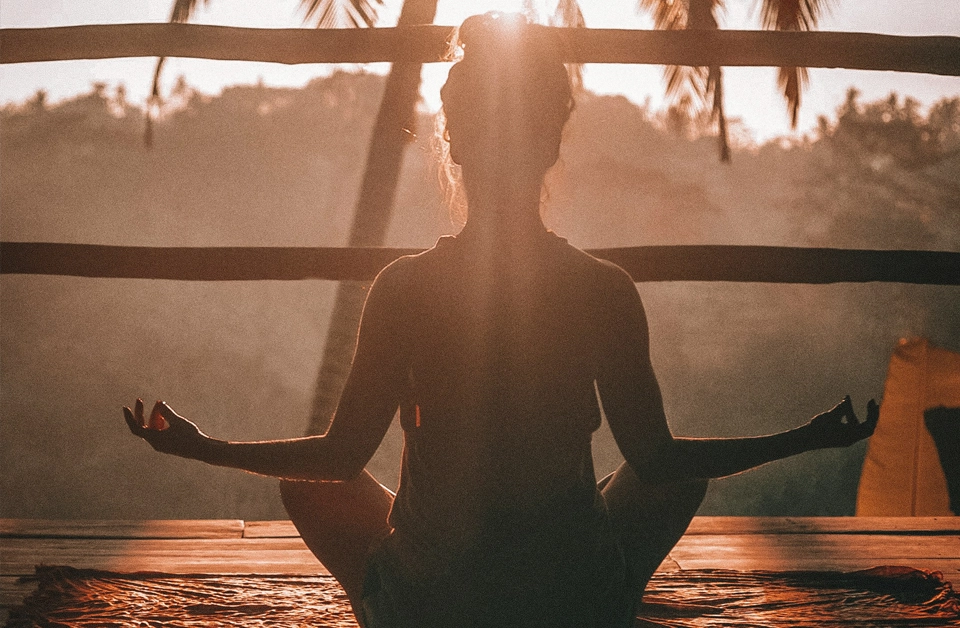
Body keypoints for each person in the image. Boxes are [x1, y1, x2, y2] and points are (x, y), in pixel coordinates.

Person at [123, 13, 879, 628]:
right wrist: (806, 436)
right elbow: (658, 460)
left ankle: (388, 610)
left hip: (436, 606)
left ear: (453, 140)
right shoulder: (601, 288)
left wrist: (202, 447)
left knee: (309, 487)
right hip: (568, 603)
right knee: (671, 480)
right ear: (552, 141)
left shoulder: (405, 287)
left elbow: (337, 452)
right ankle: (607, 601)